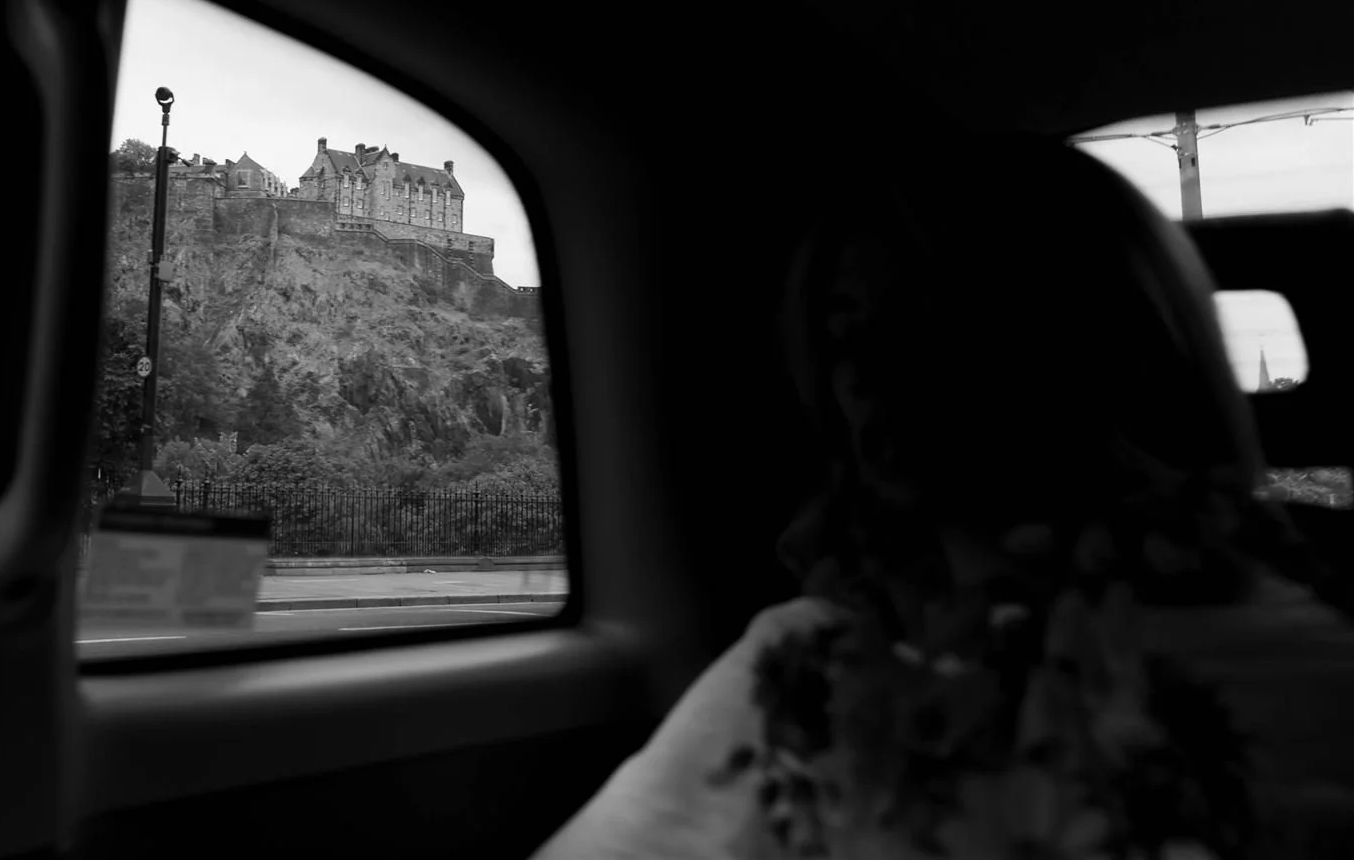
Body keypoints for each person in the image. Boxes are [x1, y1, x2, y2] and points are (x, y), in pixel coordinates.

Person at [532, 135, 1354, 859]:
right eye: (844, 327)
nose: (869, 372)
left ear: (1095, 341)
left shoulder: (825, 670)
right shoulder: (817, 661)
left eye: (934, 318)